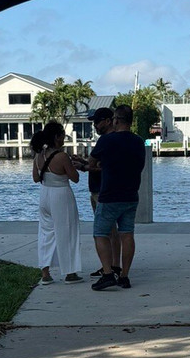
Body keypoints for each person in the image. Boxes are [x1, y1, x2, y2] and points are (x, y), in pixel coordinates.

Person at [86, 104, 145, 290]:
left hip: (109, 195)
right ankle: (124, 276)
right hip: (131, 195)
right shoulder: (138, 141)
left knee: (100, 234)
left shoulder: (107, 141)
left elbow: (91, 162)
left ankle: (108, 273)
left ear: (115, 120)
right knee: (127, 234)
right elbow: (140, 166)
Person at [32, 120, 82, 285]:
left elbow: (35, 178)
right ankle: (70, 272)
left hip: (45, 194)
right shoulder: (62, 156)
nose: (64, 139)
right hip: (61, 194)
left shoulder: (39, 155)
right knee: (67, 232)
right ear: (56, 137)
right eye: (62, 136)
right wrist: (74, 165)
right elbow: (75, 178)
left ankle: (45, 273)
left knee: (46, 233)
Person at [72, 107, 121, 277]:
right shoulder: (109, 140)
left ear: (108, 121)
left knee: (107, 231)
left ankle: (112, 267)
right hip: (97, 190)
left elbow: (107, 168)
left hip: (103, 192)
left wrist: (85, 167)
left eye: (97, 122)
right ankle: (111, 265)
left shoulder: (107, 141)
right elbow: (100, 165)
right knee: (109, 231)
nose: (95, 126)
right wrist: (85, 162)